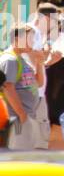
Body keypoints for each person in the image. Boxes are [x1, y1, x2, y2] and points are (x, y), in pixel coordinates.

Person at [33, 3, 64, 150]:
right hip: (46, 90)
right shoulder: (37, 36)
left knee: (54, 129)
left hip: (55, 91)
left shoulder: (60, 37)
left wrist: (47, 61)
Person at [1, 23, 46, 151]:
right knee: (18, 155)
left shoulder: (21, 59)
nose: (32, 42)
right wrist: (22, 114)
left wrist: (40, 63)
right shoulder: (10, 60)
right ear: (17, 39)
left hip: (25, 116)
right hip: (16, 118)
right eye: (29, 39)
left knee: (25, 153)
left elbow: (38, 83)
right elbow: (7, 87)